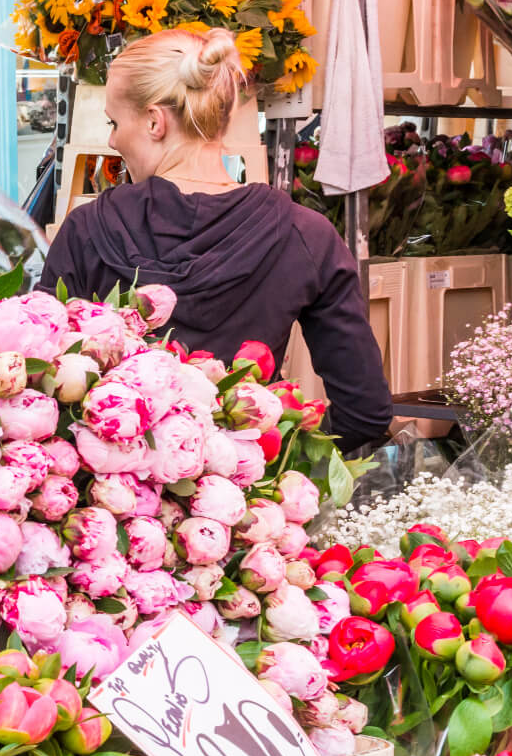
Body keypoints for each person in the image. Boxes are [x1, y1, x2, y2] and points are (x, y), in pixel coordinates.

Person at [36, 27, 392, 450]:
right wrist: (270, 468)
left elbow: (40, 385)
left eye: (115, 122)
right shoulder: (306, 235)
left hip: (115, 500)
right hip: (249, 506)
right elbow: (364, 411)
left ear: (154, 120)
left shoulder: (87, 229)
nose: (112, 139)